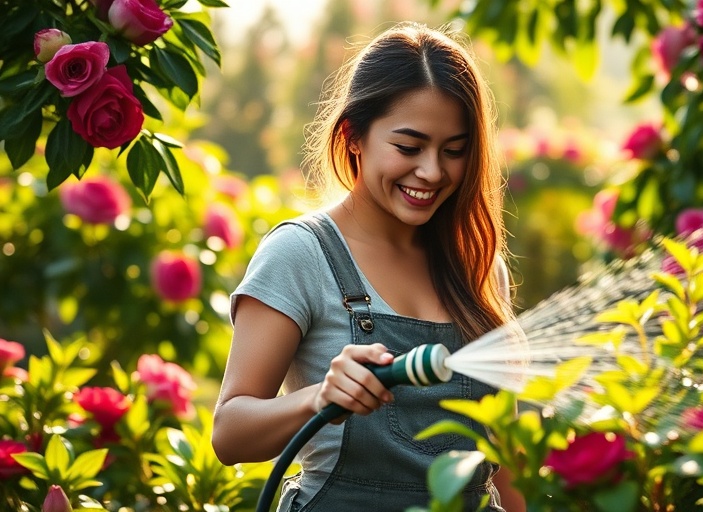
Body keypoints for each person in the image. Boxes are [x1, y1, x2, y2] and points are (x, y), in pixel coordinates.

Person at [212, 22, 526, 512]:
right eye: (408, 147)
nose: (432, 171)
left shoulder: (480, 268)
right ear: (353, 135)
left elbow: (503, 464)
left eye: (454, 151)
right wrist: (319, 398)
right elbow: (229, 435)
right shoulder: (301, 254)